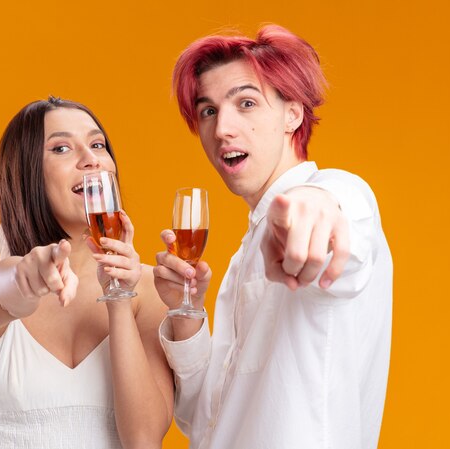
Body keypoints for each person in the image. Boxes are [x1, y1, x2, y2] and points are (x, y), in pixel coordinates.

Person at [153, 25, 392, 449]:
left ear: (293, 114)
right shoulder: (243, 255)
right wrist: (186, 312)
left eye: (246, 103)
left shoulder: (335, 193)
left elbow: (337, 216)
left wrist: (315, 208)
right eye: (208, 111)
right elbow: (202, 421)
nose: (223, 128)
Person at [0, 97, 174, 449]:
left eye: (97, 144)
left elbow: (143, 440)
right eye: (61, 148)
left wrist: (119, 296)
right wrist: (24, 278)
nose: (90, 158)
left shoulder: (151, 288)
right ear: (29, 175)